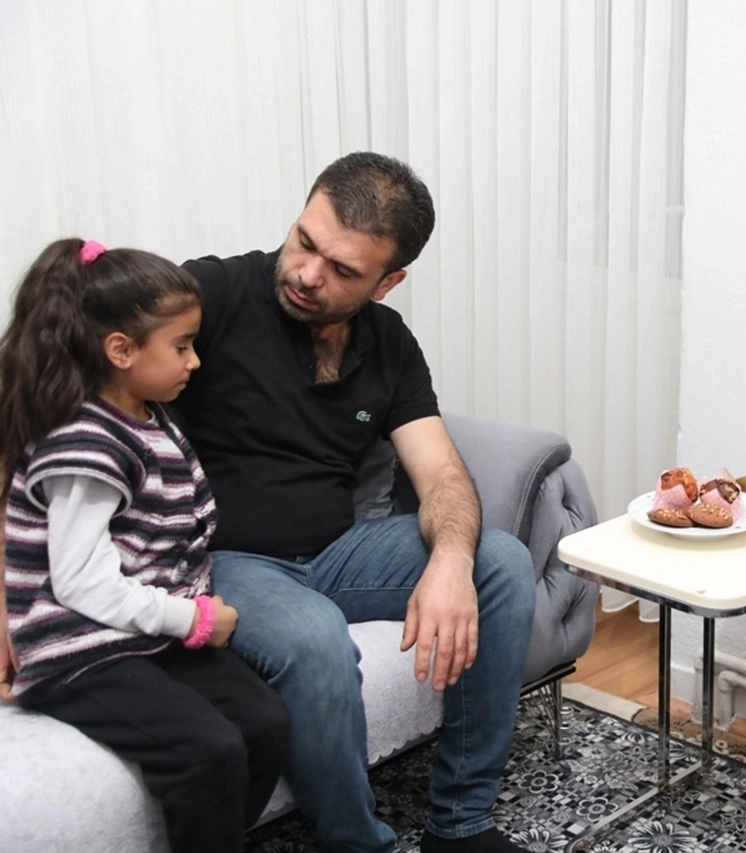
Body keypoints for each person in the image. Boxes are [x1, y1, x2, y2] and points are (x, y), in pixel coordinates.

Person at [166, 152, 535, 853]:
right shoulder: (213, 293)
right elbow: (50, 363)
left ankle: (461, 825)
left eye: (342, 270)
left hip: (338, 554)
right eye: (304, 241)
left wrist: (451, 562)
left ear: (387, 282)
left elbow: (442, 475)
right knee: (314, 641)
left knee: (502, 564)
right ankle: (357, 843)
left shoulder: (388, 345)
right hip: (226, 559)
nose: (308, 274)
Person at [0, 238, 290, 853]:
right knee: (207, 749)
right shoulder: (84, 445)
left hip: (140, 636)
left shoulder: (148, 418)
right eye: (182, 347)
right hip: (79, 651)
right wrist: (193, 619)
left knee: (265, 722)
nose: (195, 362)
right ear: (121, 350)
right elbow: (80, 583)